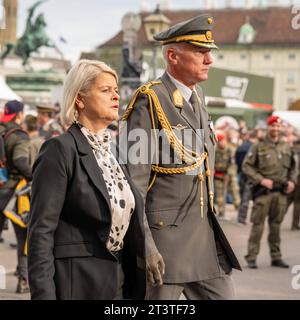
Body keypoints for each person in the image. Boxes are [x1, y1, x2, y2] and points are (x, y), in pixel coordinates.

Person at [119, 14, 241, 300]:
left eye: (209, 52)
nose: (209, 60)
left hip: (204, 239)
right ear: (172, 56)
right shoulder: (149, 101)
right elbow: (133, 183)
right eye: (201, 52)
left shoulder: (197, 98)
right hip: (166, 246)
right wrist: (145, 245)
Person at [27, 59, 146, 300]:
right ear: (79, 99)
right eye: (105, 90)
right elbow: (41, 233)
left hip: (118, 283)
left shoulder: (115, 152)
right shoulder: (59, 150)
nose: (116, 96)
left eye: (115, 90)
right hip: (76, 284)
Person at [243, 115, 298, 269]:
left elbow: (294, 167)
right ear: (268, 127)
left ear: (281, 129)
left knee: (276, 226)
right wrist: (261, 179)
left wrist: (292, 181)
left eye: (278, 126)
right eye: (273, 126)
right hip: (263, 193)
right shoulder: (258, 146)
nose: (275, 129)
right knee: (258, 226)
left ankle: (276, 257)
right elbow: (247, 166)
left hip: (280, 194)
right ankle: (251, 257)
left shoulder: (286, 147)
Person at [0, 100, 31, 293]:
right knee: (23, 237)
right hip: (14, 193)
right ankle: (24, 280)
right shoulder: (18, 135)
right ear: (19, 114)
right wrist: (35, 175)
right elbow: (20, 162)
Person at [214, 131, 240, 218]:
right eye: (219, 141)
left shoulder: (230, 150)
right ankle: (221, 212)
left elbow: (232, 164)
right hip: (218, 175)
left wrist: (228, 174)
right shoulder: (215, 151)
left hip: (230, 175)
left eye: (222, 141)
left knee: (235, 190)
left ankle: (239, 209)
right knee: (220, 196)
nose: (221, 143)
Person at [235, 130, 257, 224]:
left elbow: (236, 159)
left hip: (241, 174)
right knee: (248, 197)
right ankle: (245, 218)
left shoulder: (241, 147)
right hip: (250, 175)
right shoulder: (254, 147)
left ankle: (241, 217)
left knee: (242, 196)